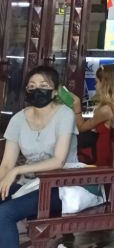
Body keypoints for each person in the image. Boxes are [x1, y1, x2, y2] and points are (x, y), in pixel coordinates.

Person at [0, 66, 77, 246]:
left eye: (43, 85)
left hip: (61, 187)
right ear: (26, 90)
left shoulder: (65, 114)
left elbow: (58, 160)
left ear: (55, 91)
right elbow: (6, 164)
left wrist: (18, 170)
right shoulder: (18, 119)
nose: (37, 90)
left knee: (5, 213)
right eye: (32, 86)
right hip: (29, 186)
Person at [73, 63, 114, 166]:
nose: (95, 86)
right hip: (112, 155)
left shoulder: (106, 110)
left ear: (105, 84)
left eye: (96, 82)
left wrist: (77, 105)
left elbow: (81, 127)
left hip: (101, 156)